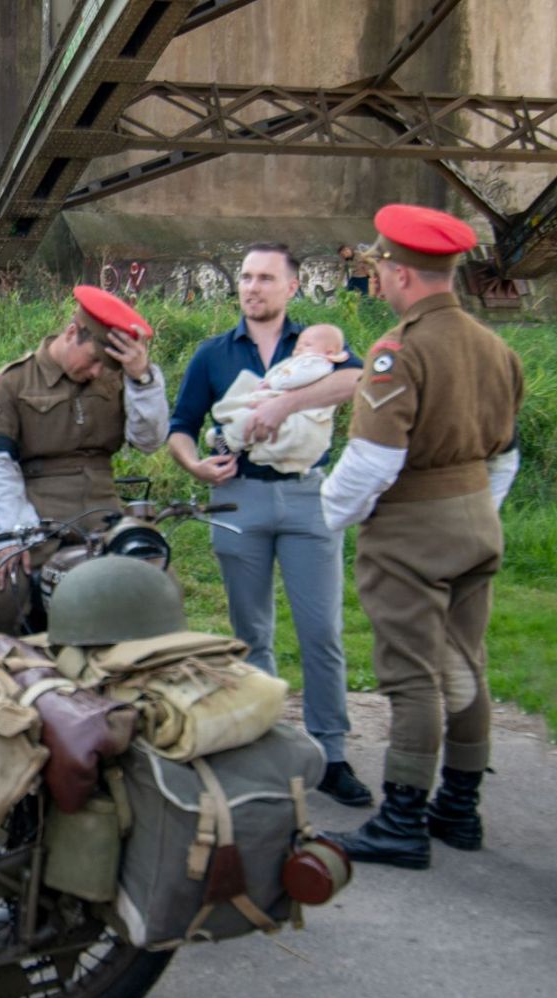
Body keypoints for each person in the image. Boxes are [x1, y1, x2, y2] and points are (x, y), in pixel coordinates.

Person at [320, 204, 523, 869]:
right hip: (476, 521)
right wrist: (473, 509)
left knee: (412, 676)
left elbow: (372, 464)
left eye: (379, 267)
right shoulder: (497, 349)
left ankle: (401, 819)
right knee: (466, 663)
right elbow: (505, 455)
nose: (375, 278)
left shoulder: (397, 352)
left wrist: (325, 517)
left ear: (401, 274)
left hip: (410, 533)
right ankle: (459, 810)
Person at [166, 243, 372, 806]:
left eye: (265, 278)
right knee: (250, 632)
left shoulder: (319, 345)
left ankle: (331, 754)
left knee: (322, 632)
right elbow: (180, 426)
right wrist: (194, 465)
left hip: (309, 499)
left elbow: (358, 383)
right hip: (239, 498)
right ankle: (262, 745)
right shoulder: (213, 354)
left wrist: (283, 406)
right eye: (246, 277)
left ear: (291, 287)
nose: (252, 287)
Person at [0, 285, 167, 636]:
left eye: (104, 365)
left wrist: (143, 379)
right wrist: (9, 537)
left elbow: (149, 440)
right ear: (71, 333)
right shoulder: (15, 381)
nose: (97, 372)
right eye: (93, 360)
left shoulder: (118, 379)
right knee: (9, 588)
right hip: (38, 517)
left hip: (105, 514)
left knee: (156, 581)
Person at [209, 323, 351, 476]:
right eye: (298, 345)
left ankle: (228, 439)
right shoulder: (305, 360)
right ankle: (238, 440)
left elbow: (296, 378)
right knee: (254, 409)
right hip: (284, 400)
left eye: (307, 345)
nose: (299, 349)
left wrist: (271, 383)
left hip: (297, 408)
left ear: (328, 351)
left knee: (253, 416)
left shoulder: (318, 363)